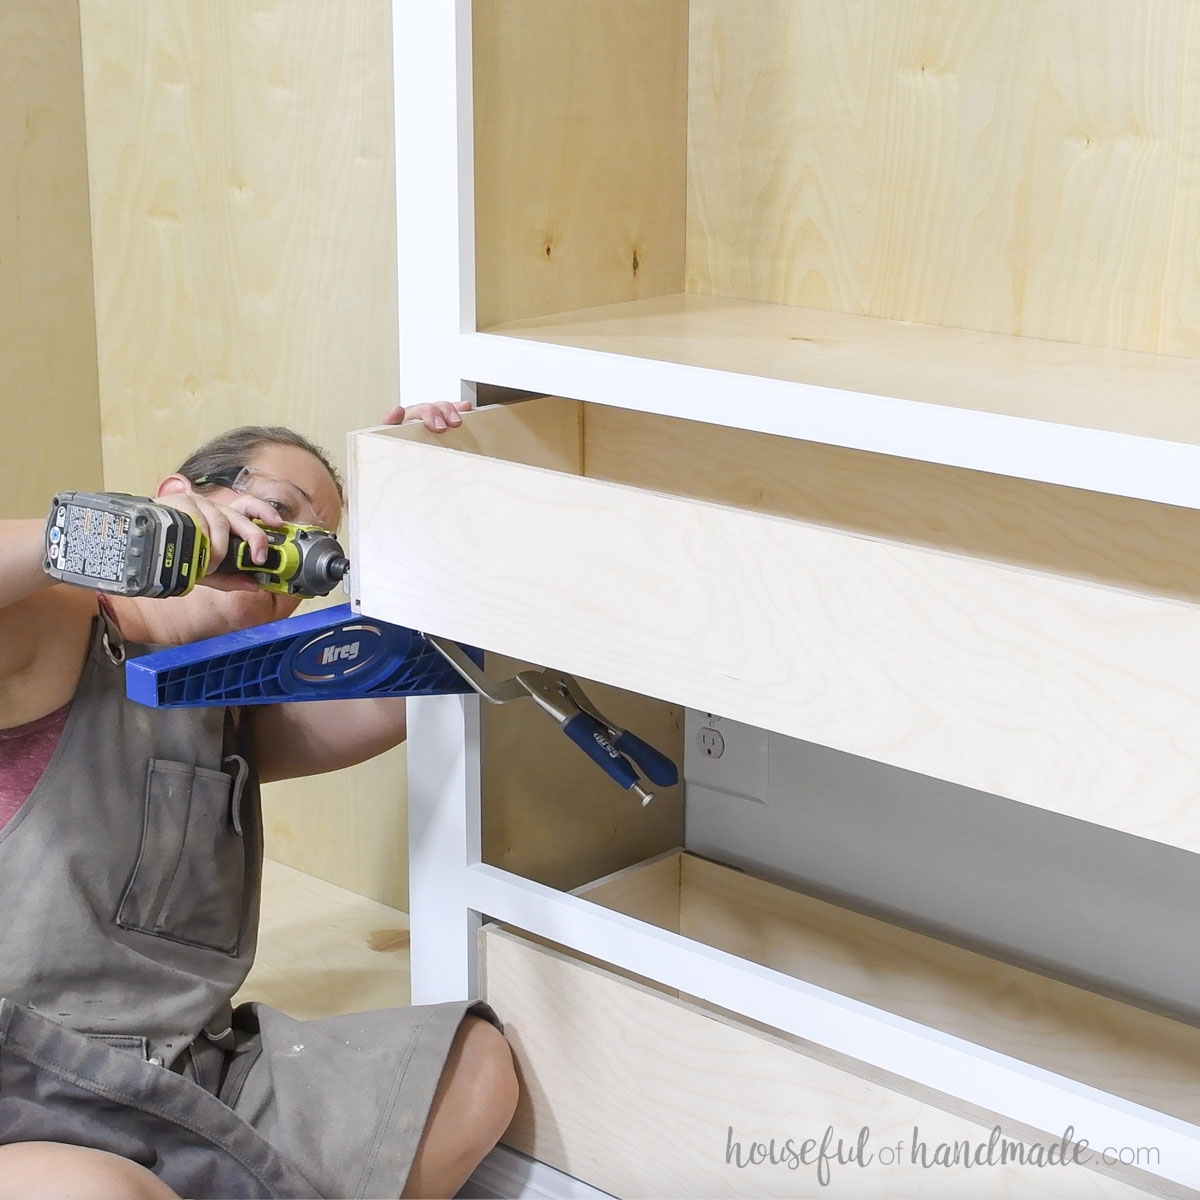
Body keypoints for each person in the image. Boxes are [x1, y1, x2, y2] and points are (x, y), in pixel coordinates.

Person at [0, 402, 518, 1200]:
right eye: (279, 513)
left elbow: (413, 684)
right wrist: (125, 535)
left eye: (318, 545)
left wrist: (439, 493)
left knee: (473, 1066)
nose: (292, 553)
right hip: (29, 1077)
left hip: (186, 1068)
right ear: (183, 493)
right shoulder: (56, 628)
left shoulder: (232, 702)